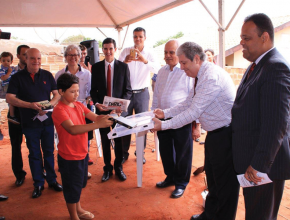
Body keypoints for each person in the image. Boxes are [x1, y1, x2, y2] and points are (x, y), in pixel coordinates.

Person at [152, 42, 239, 219]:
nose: (181, 67)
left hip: (225, 135)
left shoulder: (210, 77)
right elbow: (188, 102)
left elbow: (193, 111)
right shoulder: (201, 75)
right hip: (215, 134)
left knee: (224, 186)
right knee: (213, 180)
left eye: (184, 63)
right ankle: (209, 214)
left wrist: (164, 124)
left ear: (197, 59)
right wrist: (165, 113)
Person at [232, 13, 290, 220]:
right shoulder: (256, 65)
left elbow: (276, 125)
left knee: (260, 216)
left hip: (264, 167)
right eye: (241, 38)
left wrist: (258, 166)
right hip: (251, 159)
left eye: (247, 38)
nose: (241, 43)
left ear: (264, 37)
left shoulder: (276, 67)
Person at [52, 73, 113, 220]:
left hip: (82, 153)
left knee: (78, 184)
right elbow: (72, 129)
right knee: (71, 187)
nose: (76, 94)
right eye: (72, 91)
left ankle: (78, 209)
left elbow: (95, 117)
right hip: (69, 156)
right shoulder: (59, 110)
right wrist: (97, 125)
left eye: (77, 91)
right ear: (61, 91)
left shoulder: (78, 105)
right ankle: (73, 216)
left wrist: (111, 115)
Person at [6, 48, 63, 198]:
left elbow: (57, 94)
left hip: (47, 122)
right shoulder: (17, 77)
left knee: (49, 151)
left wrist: (49, 105)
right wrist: (30, 105)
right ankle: (38, 183)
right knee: (34, 154)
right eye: (32, 58)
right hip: (29, 123)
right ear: (26, 58)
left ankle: (51, 180)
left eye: (38, 58)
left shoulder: (47, 75)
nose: (36, 61)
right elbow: (10, 98)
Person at [152, 39, 194, 198]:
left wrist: (195, 125)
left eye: (171, 52)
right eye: (165, 52)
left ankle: (181, 183)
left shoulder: (187, 72)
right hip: (162, 118)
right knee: (166, 150)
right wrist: (152, 115)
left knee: (183, 152)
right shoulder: (161, 71)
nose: (168, 56)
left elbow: (192, 99)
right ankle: (170, 177)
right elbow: (156, 96)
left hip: (181, 119)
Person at [91, 38, 132, 182]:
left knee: (119, 140)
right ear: (103, 50)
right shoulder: (96, 68)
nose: (108, 52)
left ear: (115, 49)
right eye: (105, 49)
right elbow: (93, 90)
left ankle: (118, 167)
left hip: (118, 112)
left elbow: (128, 90)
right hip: (102, 111)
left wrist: (120, 108)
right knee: (105, 139)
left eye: (111, 49)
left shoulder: (123, 67)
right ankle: (107, 168)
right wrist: (96, 103)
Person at [119, 27, 159, 164]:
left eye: (140, 37)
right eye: (135, 36)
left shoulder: (150, 53)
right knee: (124, 123)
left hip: (142, 93)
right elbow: (118, 69)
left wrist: (144, 60)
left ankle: (140, 152)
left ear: (145, 38)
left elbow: (157, 69)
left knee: (143, 125)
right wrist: (125, 61)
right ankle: (124, 153)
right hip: (127, 93)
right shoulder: (125, 51)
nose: (137, 39)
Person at [55, 45, 94, 170]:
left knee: (85, 135)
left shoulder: (87, 74)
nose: (73, 58)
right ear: (66, 57)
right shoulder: (59, 74)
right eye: (70, 55)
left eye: (76, 55)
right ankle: (67, 160)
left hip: (82, 108)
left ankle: (84, 158)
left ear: (80, 56)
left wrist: (88, 100)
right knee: (68, 136)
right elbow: (56, 94)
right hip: (66, 110)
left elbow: (90, 92)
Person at [8, 45, 30, 187]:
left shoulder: (35, 72)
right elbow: (7, 96)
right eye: (24, 54)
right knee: (16, 146)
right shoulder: (10, 73)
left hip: (31, 115)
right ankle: (19, 174)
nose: (26, 57)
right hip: (15, 115)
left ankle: (39, 172)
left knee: (34, 145)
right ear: (18, 56)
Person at [0, 52, 18, 124]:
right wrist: (9, 73)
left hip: (13, 85)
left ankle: (13, 115)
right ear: (1, 61)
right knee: (11, 102)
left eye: (8, 61)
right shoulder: (2, 70)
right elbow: (3, 78)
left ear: (11, 61)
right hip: (7, 86)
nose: (6, 62)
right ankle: (12, 116)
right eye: (3, 60)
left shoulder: (12, 68)